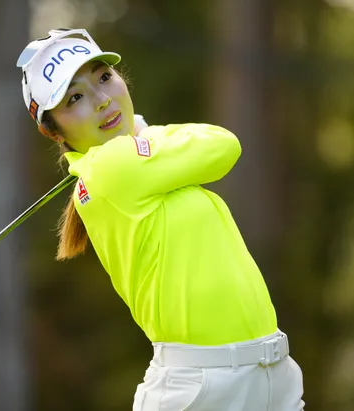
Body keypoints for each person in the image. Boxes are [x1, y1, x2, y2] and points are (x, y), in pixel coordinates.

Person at [16, 28, 305, 411]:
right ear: (53, 131)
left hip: (272, 374)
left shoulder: (133, 166)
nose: (102, 100)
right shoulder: (110, 168)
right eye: (75, 98)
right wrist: (144, 132)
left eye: (104, 77)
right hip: (205, 388)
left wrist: (141, 137)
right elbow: (223, 145)